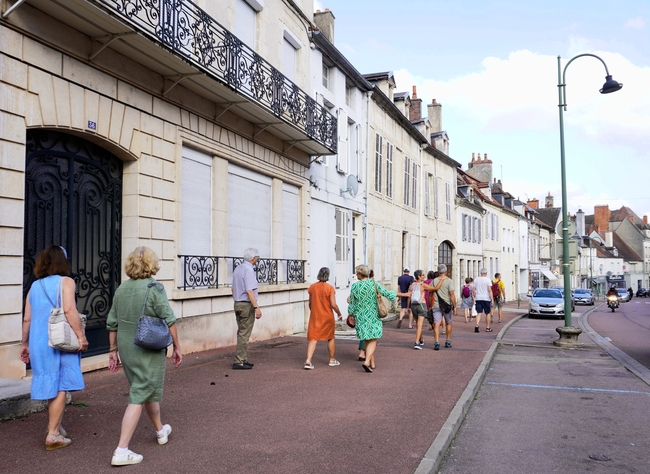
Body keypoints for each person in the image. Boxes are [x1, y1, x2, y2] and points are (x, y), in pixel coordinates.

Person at [107, 246, 182, 466]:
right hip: (147, 347)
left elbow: (112, 323)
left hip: (127, 347)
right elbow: (169, 319)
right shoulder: (155, 288)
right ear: (151, 264)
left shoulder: (121, 289)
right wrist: (177, 347)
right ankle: (121, 450)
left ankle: (160, 430)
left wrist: (112, 351)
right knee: (140, 394)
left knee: (144, 389)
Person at [20, 245, 88, 451]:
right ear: (63, 261)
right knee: (60, 385)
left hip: (39, 341)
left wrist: (24, 344)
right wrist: (81, 336)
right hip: (60, 340)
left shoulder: (35, 286)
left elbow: (27, 319)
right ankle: (53, 435)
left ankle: (55, 426)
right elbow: (69, 310)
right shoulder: (66, 282)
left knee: (52, 382)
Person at [347, 265, 398, 372]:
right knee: (373, 338)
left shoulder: (355, 286)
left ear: (361, 274)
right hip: (373, 314)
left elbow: (352, 302)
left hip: (360, 315)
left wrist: (351, 314)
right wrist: (397, 295)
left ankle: (372, 363)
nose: (356, 275)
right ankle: (367, 362)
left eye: (357, 273)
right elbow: (386, 293)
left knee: (366, 338)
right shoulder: (373, 283)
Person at [304, 267, 343, 369]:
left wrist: (314, 311)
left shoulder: (312, 287)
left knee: (313, 338)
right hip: (327, 316)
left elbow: (310, 303)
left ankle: (308, 360)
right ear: (328, 275)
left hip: (315, 316)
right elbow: (333, 304)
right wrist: (339, 313)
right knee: (330, 337)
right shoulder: (330, 288)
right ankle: (332, 359)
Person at [231, 248, 262, 370]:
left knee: (241, 332)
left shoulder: (238, 268)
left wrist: (236, 300)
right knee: (244, 334)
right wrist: (256, 308)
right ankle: (239, 361)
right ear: (253, 258)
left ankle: (243, 359)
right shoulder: (249, 270)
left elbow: (233, 289)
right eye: (257, 258)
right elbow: (250, 291)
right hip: (246, 304)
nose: (258, 260)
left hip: (238, 302)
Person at [411, 270, 445, 349]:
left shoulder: (412, 285)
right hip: (421, 305)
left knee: (417, 325)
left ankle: (421, 339)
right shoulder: (423, 285)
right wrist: (441, 280)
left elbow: (410, 295)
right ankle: (416, 342)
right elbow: (435, 288)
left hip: (413, 305)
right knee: (420, 325)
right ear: (419, 276)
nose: (424, 276)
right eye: (422, 275)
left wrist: (409, 307)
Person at [427, 265, 456, 350]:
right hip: (446, 305)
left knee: (436, 324)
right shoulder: (449, 281)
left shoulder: (433, 281)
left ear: (438, 271)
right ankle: (448, 341)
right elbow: (451, 294)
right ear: (446, 271)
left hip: (436, 305)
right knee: (448, 322)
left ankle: (436, 342)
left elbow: (430, 294)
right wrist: (454, 306)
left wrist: (429, 305)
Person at [473, 268, 494, 333]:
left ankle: (477, 325)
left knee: (479, 312)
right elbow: (489, 290)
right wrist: (492, 299)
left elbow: (474, 289)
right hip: (486, 298)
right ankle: (487, 327)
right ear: (486, 273)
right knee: (487, 313)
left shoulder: (476, 280)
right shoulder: (488, 280)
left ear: (480, 273)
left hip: (478, 298)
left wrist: (474, 297)